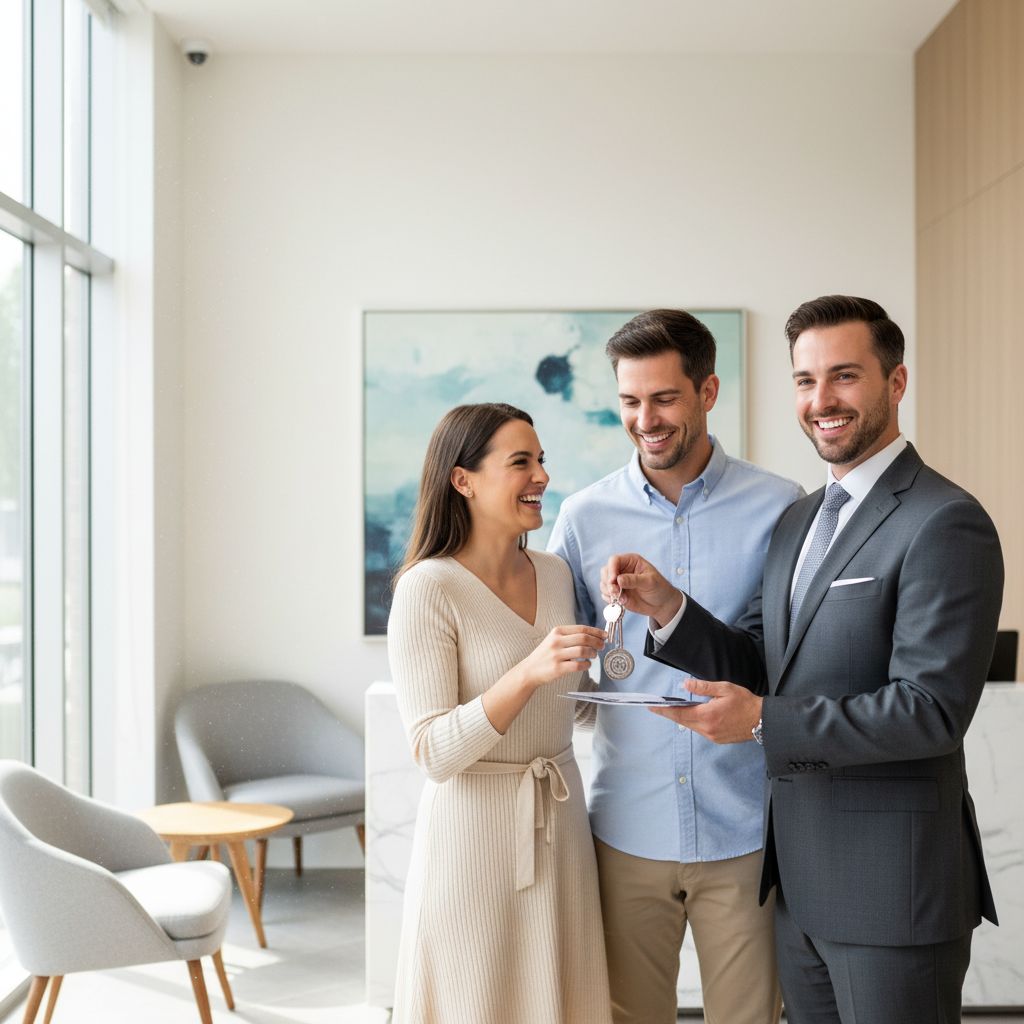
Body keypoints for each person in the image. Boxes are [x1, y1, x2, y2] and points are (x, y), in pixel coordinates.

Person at [603, 295, 1003, 1024]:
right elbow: (763, 663)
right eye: (804, 380)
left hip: (894, 891)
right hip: (798, 890)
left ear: (896, 383)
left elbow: (931, 711)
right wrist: (668, 609)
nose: (821, 400)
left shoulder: (946, 521)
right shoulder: (798, 520)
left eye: (844, 377)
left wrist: (761, 723)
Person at [548, 309, 802, 1024]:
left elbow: (778, 668)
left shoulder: (780, 508)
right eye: (630, 400)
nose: (645, 418)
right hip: (627, 826)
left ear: (708, 391)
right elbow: (569, 680)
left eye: (664, 398)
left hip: (745, 831)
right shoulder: (583, 517)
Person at [387, 402, 613, 1024]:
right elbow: (433, 752)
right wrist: (529, 670)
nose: (541, 475)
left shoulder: (556, 571)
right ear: (463, 479)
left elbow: (571, 709)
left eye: (541, 460)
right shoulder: (427, 588)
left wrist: (634, 651)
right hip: (472, 842)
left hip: (561, 831)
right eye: (521, 462)